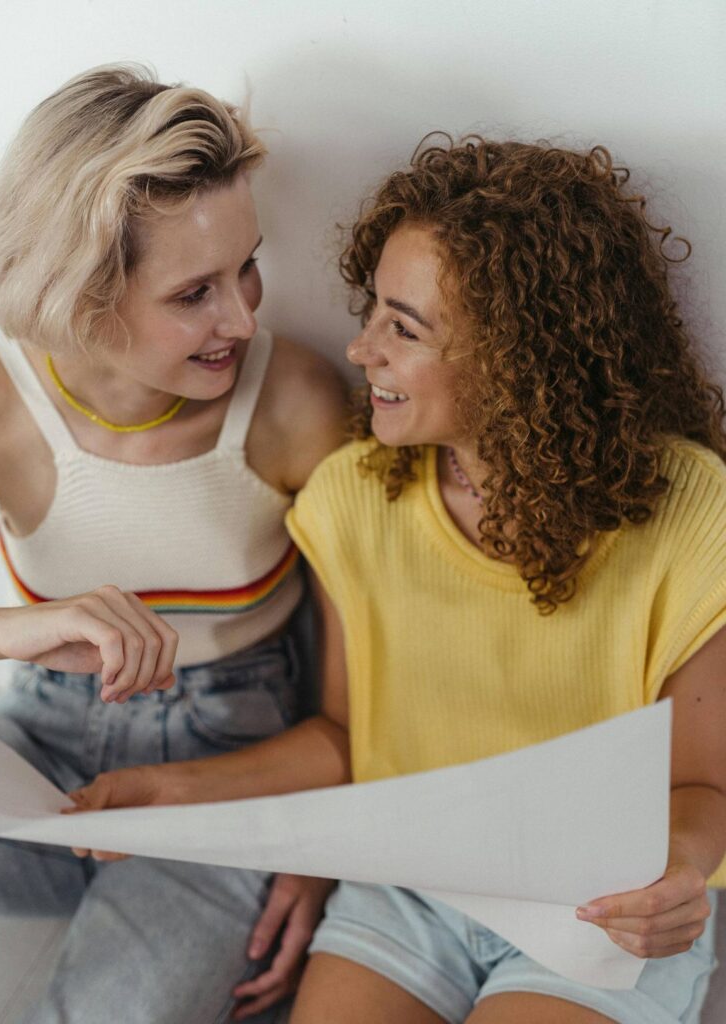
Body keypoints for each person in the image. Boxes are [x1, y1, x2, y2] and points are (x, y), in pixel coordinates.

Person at [71, 137, 726, 1024]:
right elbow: (347, 737)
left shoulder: (691, 512)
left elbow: (702, 791)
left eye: (402, 329)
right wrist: (173, 789)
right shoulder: (355, 500)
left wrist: (682, 873)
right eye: (371, 311)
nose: (359, 348)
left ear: (518, 357)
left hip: (604, 909)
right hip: (412, 891)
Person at [0, 64, 347, 1024]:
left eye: (247, 265)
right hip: (33, 754)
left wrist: (321, 846)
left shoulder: (293, 404)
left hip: (228, 783)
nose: (246, 319)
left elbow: (352, 720)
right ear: (80, 291)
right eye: (194, 294)